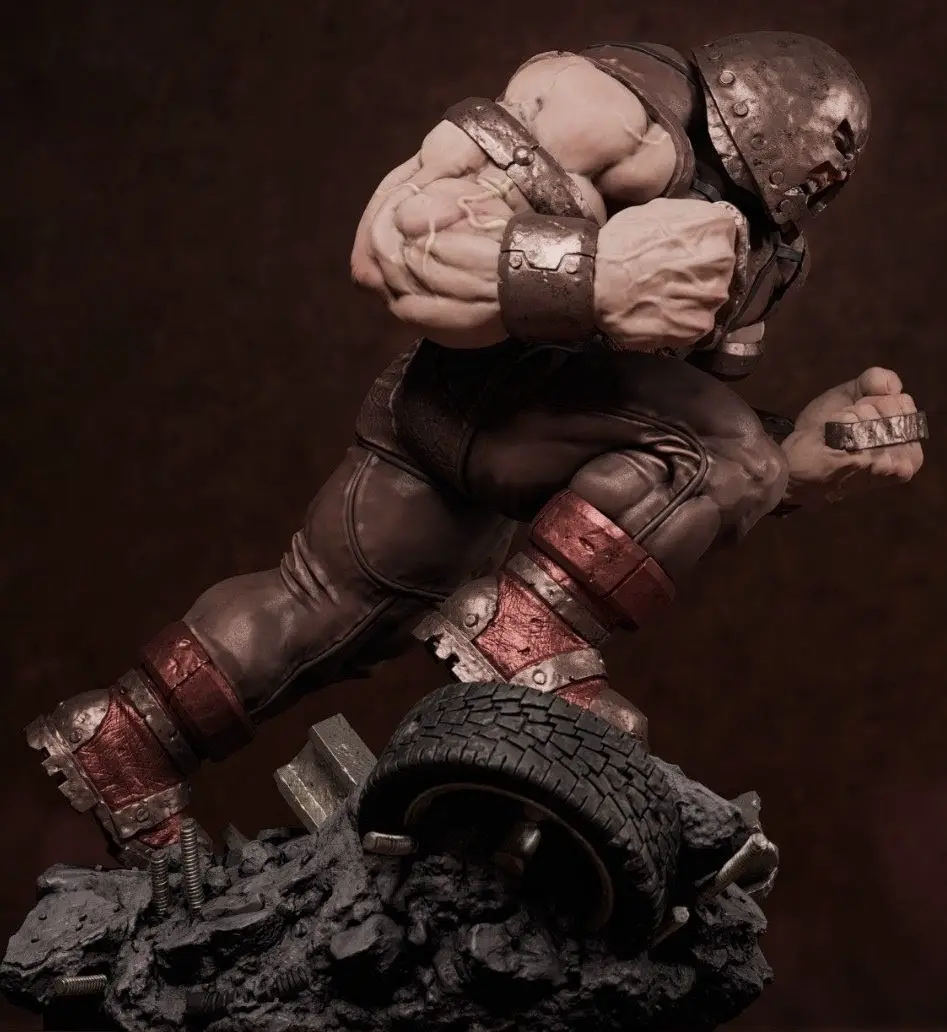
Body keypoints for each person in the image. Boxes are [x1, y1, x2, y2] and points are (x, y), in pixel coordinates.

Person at [27, 32, 925, 866]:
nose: (831, 169)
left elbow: (659, 436)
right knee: (720, 457)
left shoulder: (770, 252)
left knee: (326, 609)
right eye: (831, 142)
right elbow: (392, 242)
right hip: (475, 398)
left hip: (496, 432)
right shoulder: (608, 110)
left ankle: (121, 746)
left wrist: (792, 460)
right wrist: (598, 275)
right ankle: (517, 637)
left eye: (845, 161)